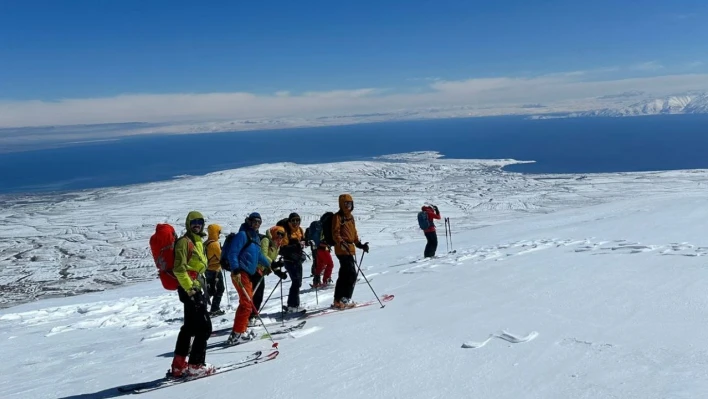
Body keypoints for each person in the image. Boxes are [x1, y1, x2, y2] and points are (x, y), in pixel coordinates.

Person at [170, 211, 214, 378]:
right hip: (189, 289)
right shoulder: (184, 242)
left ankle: (179, 366)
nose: (197, 224)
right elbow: (179, 269)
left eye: (200, 221)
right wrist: (191, 290)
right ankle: (196, 365)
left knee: (189, 328)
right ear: (188, 224)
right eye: (194, 221)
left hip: (194, 287)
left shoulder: (198, 241)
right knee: (204, 327)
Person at [225, 212, 271, 345]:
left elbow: (258, 256)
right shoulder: (242, 235)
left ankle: (239, 331)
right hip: (240, 273)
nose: (257, 225)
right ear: (249, 221)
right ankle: (238, 333)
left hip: (247, 274)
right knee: (246, 303)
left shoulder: (255, 238)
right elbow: (233, 253)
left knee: (247, 302)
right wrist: (236, 269)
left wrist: (268, 265)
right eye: (254, 222)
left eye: (259, 222)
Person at [332, 194, 369, 309]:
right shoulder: (337, 217)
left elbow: (353, 233)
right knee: (351, 274)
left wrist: (360, 245)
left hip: (349, 248)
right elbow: (335, 233)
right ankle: (345, 299)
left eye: (350, 203)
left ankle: (338, 300)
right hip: (342, 249)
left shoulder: (350, 217)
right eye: (346, 203)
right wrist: (341, 243)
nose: (348, 206)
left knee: (344, 274)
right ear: (341, 204)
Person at [248, 225, 287, 326]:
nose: (280, 236)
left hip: (262, 271)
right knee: (255, 295)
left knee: (258, 295)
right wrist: (274, 263)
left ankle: (252, 316)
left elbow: (270, 260)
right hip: (255, 269)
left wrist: (278, 271)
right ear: (274, 232)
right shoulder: (266, 240)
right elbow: (263, 256)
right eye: (278, 233)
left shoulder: (277, 244)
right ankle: (250, 317)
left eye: (282, 234)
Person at [278, 212, 307, 312]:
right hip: (289, 260)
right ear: (289, 221)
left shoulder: (300, 230)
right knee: (296, 282)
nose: (295, 222)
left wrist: (307, 242)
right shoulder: (286, 231)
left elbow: (303, 241)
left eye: (297, 220)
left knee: (298, 282)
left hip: (297, 259)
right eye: (293, 220)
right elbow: (283, 248)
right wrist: (297, 246)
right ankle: (292, 305)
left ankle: (293, 304)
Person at [204, 224, 225, 316]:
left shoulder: (207, 242)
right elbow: (221, 257)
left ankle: (201, 308)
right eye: (219, 232)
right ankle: (214, 309)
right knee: (219, 289)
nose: (220, 234)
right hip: (215, 270)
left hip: (207, 269)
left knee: (210, 290)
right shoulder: (215, 244)